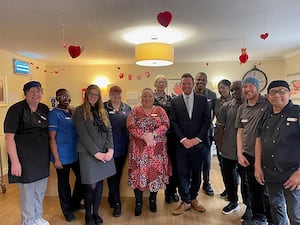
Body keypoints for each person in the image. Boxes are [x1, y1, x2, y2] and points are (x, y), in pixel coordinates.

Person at [4, 81, 50, 225]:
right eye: (32, 91)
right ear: (25, 93)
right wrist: (15, 162)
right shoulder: (16, 110)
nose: (36, 94)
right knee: (27, 192)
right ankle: (28, 221)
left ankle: (38, 217)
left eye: (38, 91)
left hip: (41, 157)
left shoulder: (44, 108)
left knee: (39, 190)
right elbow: (9, 138)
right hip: (24, 158)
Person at [255, 80, 300, 225]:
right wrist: (257, 166)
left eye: (282, 91)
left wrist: (299, 173)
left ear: (289, 93)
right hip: (270, 173)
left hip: (292, 175)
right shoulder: (265, 114)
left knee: (295, 213)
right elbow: (258, 140)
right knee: (276, 207)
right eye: (273, 92)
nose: (277, 95)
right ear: (268, 96)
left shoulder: (297, 112)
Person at [73, 84, 116, 225]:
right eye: (90, 94)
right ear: (86, 95)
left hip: (105, 153)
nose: (93, 96)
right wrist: (97, 153)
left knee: (99, 184)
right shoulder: (79, 111)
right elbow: (83, 135)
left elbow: (109, 131)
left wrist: (110, 150)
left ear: (99, 96)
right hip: (88, 154)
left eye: (96, 94)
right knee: (91, 185)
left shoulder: (102, 111)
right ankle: (88, 215)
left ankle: (96, 213)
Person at [170, 73, 211, 215]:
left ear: (193, 84)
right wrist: (184, 140)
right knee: (182, 173)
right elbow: (173, 123)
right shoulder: (175, 101)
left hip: (199, 145)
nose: (186, 86)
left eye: (188, 83)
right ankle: (185, 201)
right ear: (180, 85)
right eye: (183, 84)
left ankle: (194, 198)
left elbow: (207, 121)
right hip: (181, 145)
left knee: (196, 173)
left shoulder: (203, 100)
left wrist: (196, 139)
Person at [126, 88, 170, 216]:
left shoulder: (160, 110)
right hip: (138, 152)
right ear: (141, 97)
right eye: (144, 96)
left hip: (157, 152)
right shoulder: (134, 111)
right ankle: (138, 202)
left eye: (149, 96)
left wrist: (153, 134)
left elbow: (166, 124)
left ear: (153, 97)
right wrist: (144, 136)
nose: (147, 98)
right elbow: (130, 126)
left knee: (154, 176)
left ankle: (152, 200)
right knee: (138, 176)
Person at [236, 77, 273, 225]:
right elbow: (239, 132)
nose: (247, 89)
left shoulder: (267, 104)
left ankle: (272, 219)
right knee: (253, 189)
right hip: (248, 155)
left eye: (251, 86)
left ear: (258, 88)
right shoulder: (242, 108)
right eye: (245, 87)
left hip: (267, 157)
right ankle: (259, 218)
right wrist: (239, 154)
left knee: (267, 191)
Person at [48, 88, 85, 222]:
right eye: (63, 96)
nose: (66, 99)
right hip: (61, 156)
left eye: (68, 96)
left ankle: (75, 203)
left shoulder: (71, 111)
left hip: (74, 154)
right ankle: (67, 211)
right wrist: (56, 159)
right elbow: (51, 138)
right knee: (64, 185)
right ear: (57, 98)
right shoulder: (54, 114)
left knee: (82, 178)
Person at [216, 81, 252, 218]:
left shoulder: (251, 105)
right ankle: (233, 201)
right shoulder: (226, 107)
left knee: (246, 180)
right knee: (229, 178)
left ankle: (249, 206)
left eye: (237, 89)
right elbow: (220, 128)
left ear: (244, 89)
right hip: (228, 149)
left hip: (246, 151)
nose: (234, 92)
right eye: (232, 90)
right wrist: (220, 147)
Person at [104, 85, 131, 217]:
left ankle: (111, 198)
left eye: (119, 93)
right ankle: (117, 204)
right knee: (112, 177)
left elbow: (130, 126)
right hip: (108, 149)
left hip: (123, 147)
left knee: (118, 176)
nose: (117, 96)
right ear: (109, 94)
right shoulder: (103, 107)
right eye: (114, 93)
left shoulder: (126, 108)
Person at [153, 75, 179, 204]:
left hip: (170, 137)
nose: (161, 84)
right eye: (159, 82)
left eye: (163, 82)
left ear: (166, 84)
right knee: (156, 166)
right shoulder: (149, 98)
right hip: (155, 138)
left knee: (172, 165)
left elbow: (174, 118)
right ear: (155, 84)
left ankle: (171, 192)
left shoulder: (171, 99)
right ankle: (152, 196)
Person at [194, 72, 217, 196]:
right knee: (192, 159)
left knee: (206, 160)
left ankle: (206, 183)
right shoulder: (189, 93)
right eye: (198, 80)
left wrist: (209, 123)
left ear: (206, 81)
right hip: (192, 133)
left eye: (203, 80)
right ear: (195, 80)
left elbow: (214, 112)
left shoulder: (212, 95)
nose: (200, 82)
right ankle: (193, 183)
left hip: (206, 133)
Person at [213, 79, 232, 198]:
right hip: (219, 134)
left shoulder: (235, 101)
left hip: (231, 135)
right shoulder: (216, 101)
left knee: (232, 167)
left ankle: (233, 191)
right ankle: (227, 188)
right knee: (222, 165)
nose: (221, 90)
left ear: (229, 88)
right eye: (220, 87)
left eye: (224, 87)